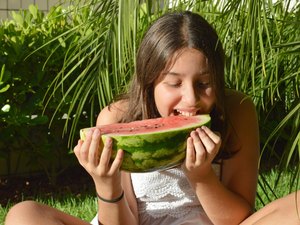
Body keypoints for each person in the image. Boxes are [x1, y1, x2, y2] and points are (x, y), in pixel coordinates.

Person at [4, 11, 300, 225]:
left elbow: (238, 218)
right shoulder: (115, 118)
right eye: (174, 83)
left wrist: (202, 177)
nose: (191, 100)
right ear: (149, 81)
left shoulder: (237, 110)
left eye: (204, 83)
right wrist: (106, 185)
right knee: (23, 215)